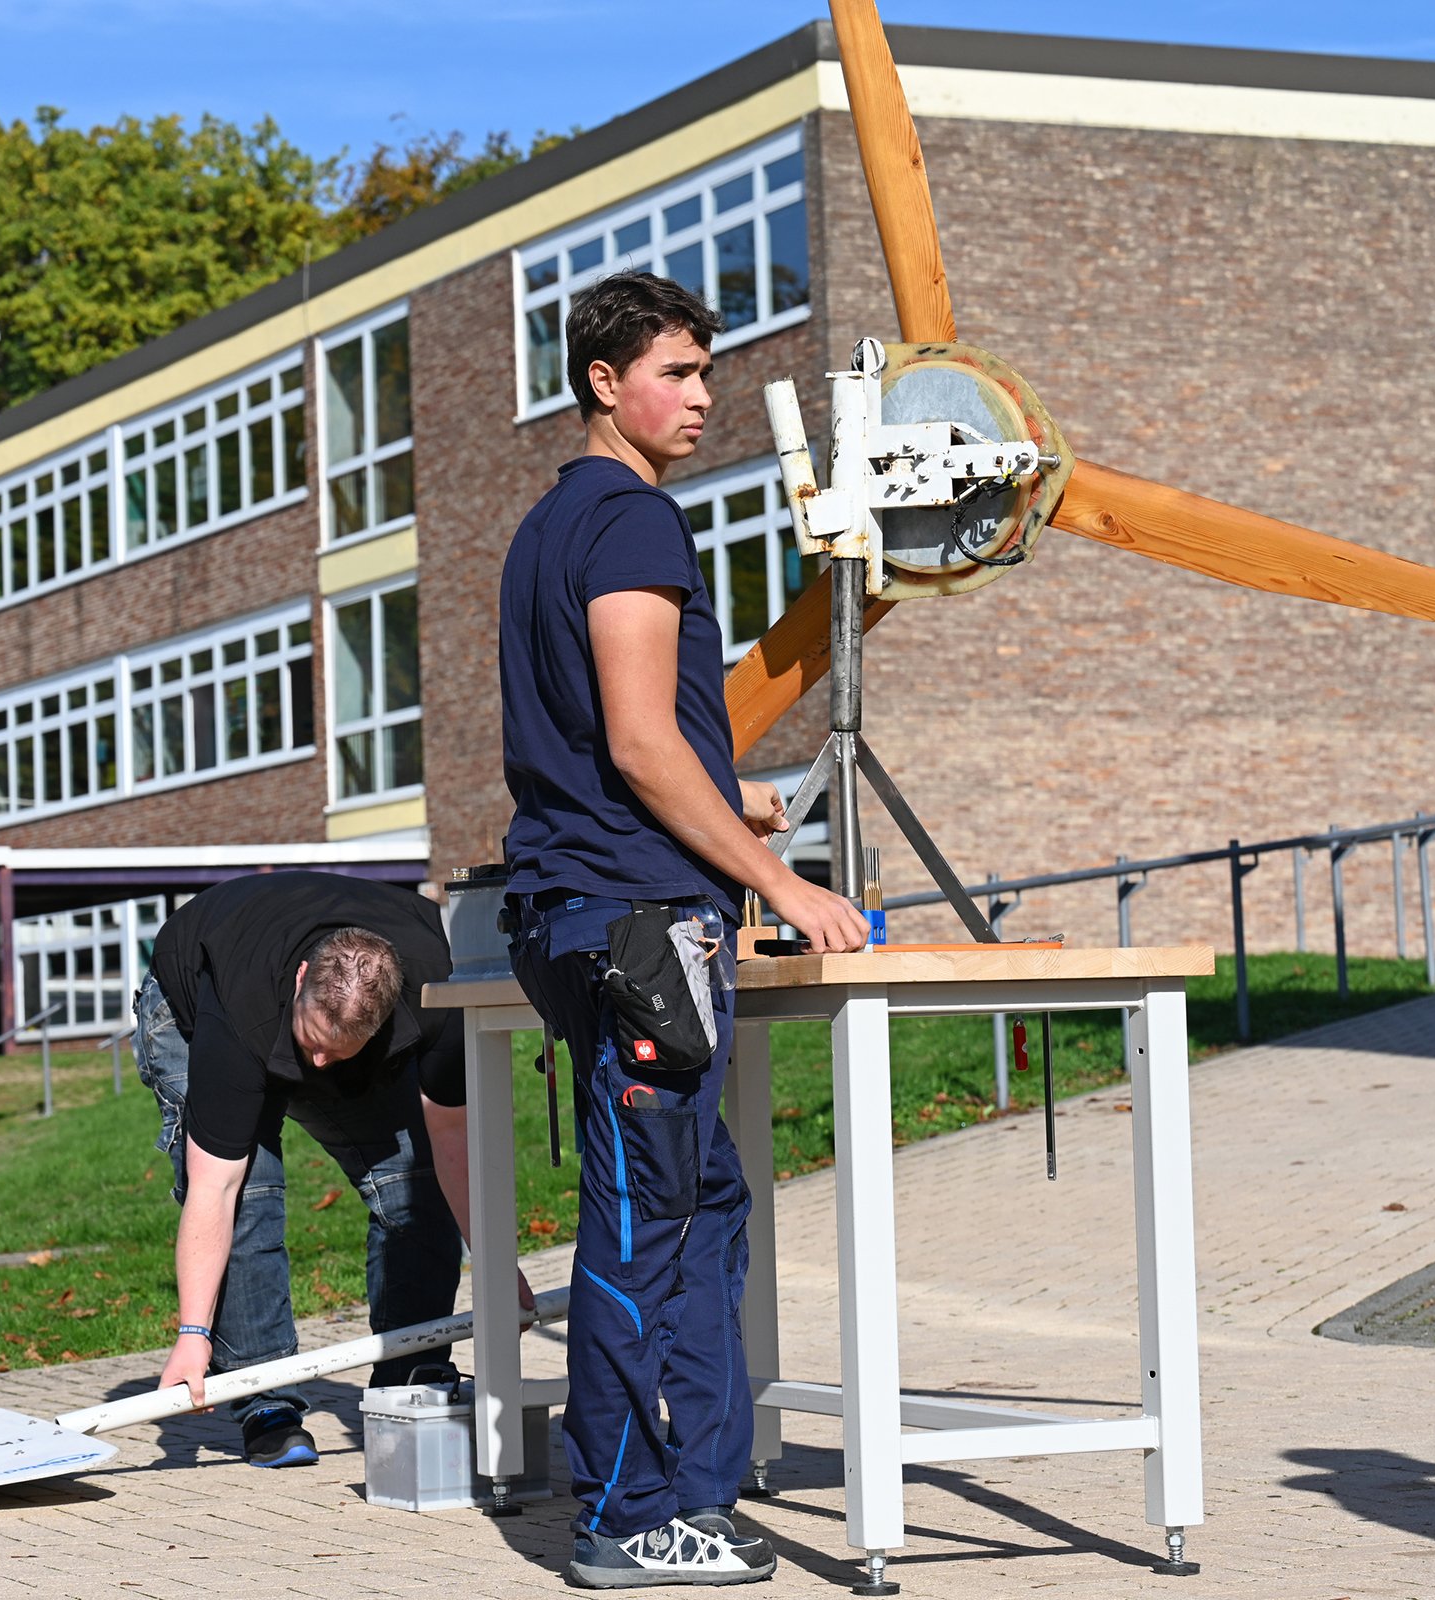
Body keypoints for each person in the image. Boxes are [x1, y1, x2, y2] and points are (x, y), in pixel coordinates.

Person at [500, 271, 872, 1587]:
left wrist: (738, 801)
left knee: (702, 1211)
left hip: (584, 902)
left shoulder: (550, 525)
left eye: (707, 374)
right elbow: (644, 741)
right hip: (642, 928)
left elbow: (626, 747)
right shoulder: (634, 523)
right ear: (606, 384)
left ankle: (695, 1489)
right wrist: (786, 889)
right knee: (644, 1230)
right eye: (677, 373)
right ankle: (617, 1513)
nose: (703, 397)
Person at [132, 870, 520, 1469]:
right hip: (196, 1000)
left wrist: (499, 1271)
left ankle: (408, 1375)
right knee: (251, 1195)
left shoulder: (436, 994)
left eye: (331, 1055)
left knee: (413, 1189)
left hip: (340, 1019)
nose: (314, 1065)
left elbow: (453, 1146)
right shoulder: (242, 1014)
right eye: (311, 1046)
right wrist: (191, 1336)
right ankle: (265, 1401)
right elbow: (216, 1189)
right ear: (300, 979)